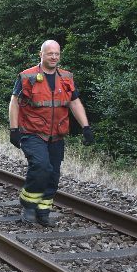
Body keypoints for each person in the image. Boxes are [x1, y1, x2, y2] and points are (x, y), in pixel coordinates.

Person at [9, 39, 94, 227]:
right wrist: (13, 129)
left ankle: (43, 210)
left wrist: (85, 127)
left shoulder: (66, 78)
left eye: (57, 54)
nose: (54, 57)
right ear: (41, 54)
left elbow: (74, 102)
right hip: (32, 132)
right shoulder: (27, 76)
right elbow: (14, 102)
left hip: (57, 134)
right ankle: (29, 205)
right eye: (50, 53)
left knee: (53, 175)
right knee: (41, 166)